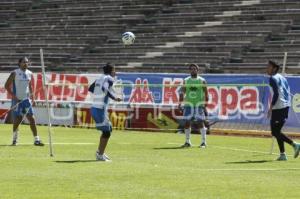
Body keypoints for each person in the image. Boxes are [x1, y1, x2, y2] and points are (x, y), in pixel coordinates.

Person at [4, 57, 44, 146]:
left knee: (32, 118)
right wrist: (14, 97)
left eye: (27, 62)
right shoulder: (15, 73)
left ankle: (36, 139)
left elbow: (30, 86)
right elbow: (6, 86)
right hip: (17, 100)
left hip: (26, 100)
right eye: (24, 62)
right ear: (19, 63)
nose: (26, 64)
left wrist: (33, 98)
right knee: (18, 120)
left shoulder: (30, 73)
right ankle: (14, 139)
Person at [267, 60, 300, 161]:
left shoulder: (272, 78)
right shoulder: (282, 78)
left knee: (275, 132)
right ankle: (282, 154)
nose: (267, 68)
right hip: (285, 106)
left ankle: (295, 144)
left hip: (279, 107)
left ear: (275, 68)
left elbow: (276, 94)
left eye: (269, 66)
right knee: (277, 131)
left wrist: (271, 107)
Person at [89, 63, 122, 161]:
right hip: (100, 109)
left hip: (95, 107)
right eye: (114, 70)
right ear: (111, 71)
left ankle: (100, 152)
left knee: (108, 129)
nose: (115, 72)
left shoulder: (99, 78)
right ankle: (100, 154)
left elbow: (90, 88)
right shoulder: (109, 78)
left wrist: (97, 97)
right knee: (107, 132)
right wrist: (114, 98)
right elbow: (104, 88)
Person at [179, 64, 208, 148]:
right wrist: (180, 103)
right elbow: (182, 92)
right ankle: (187, 142)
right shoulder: (186, 80)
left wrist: (206, 103)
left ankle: (203, 142)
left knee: (200, 122)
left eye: (195, 69)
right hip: (188, 105)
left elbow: (206, 93)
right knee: (187, 123)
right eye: (191, 69)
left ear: (197, 70)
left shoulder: (202, 80)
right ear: (189, 70)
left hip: (198, 105)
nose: (193, 70)